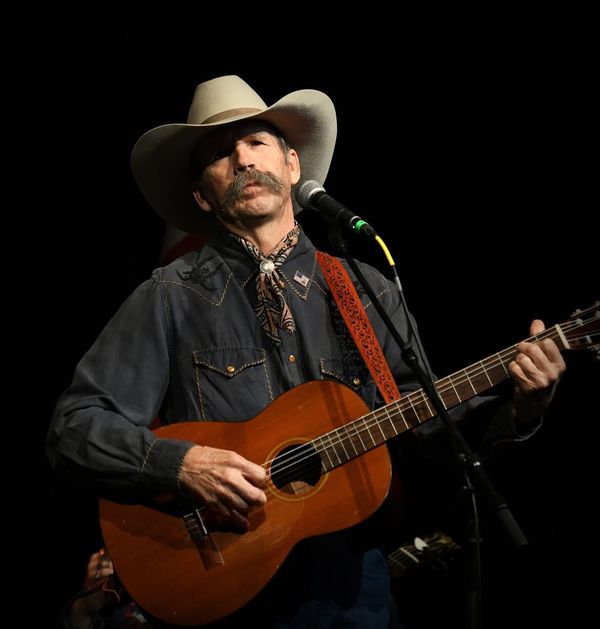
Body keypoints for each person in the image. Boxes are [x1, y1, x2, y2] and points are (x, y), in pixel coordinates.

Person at [47, 75, 566, 628]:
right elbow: (74, 428)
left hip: (354, 588)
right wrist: (183, 464)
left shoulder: (363, 287)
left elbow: (425, 420)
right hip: (229, 586)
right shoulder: (168, 296)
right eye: (221, 153)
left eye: (257, 142)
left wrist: (521, 409)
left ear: (293, 166)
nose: (243, 159)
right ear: (201, 194)